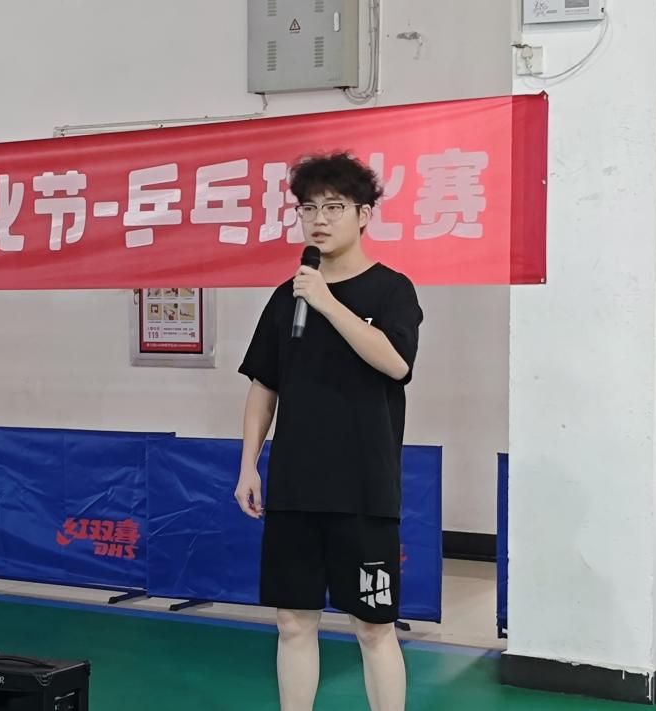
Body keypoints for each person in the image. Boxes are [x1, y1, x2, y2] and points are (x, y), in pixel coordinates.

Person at [235, 152, 423, 711]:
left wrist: (327, 301)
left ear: (364, 215)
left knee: (373, 626)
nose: (319, 219)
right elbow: (264, 385)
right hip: (296, 486)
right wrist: (248, 465)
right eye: (308, 208)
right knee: (293, 622)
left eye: (334, 207)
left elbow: (396, 364)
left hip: (364, 489)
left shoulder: (392, 290)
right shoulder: (285, 296)